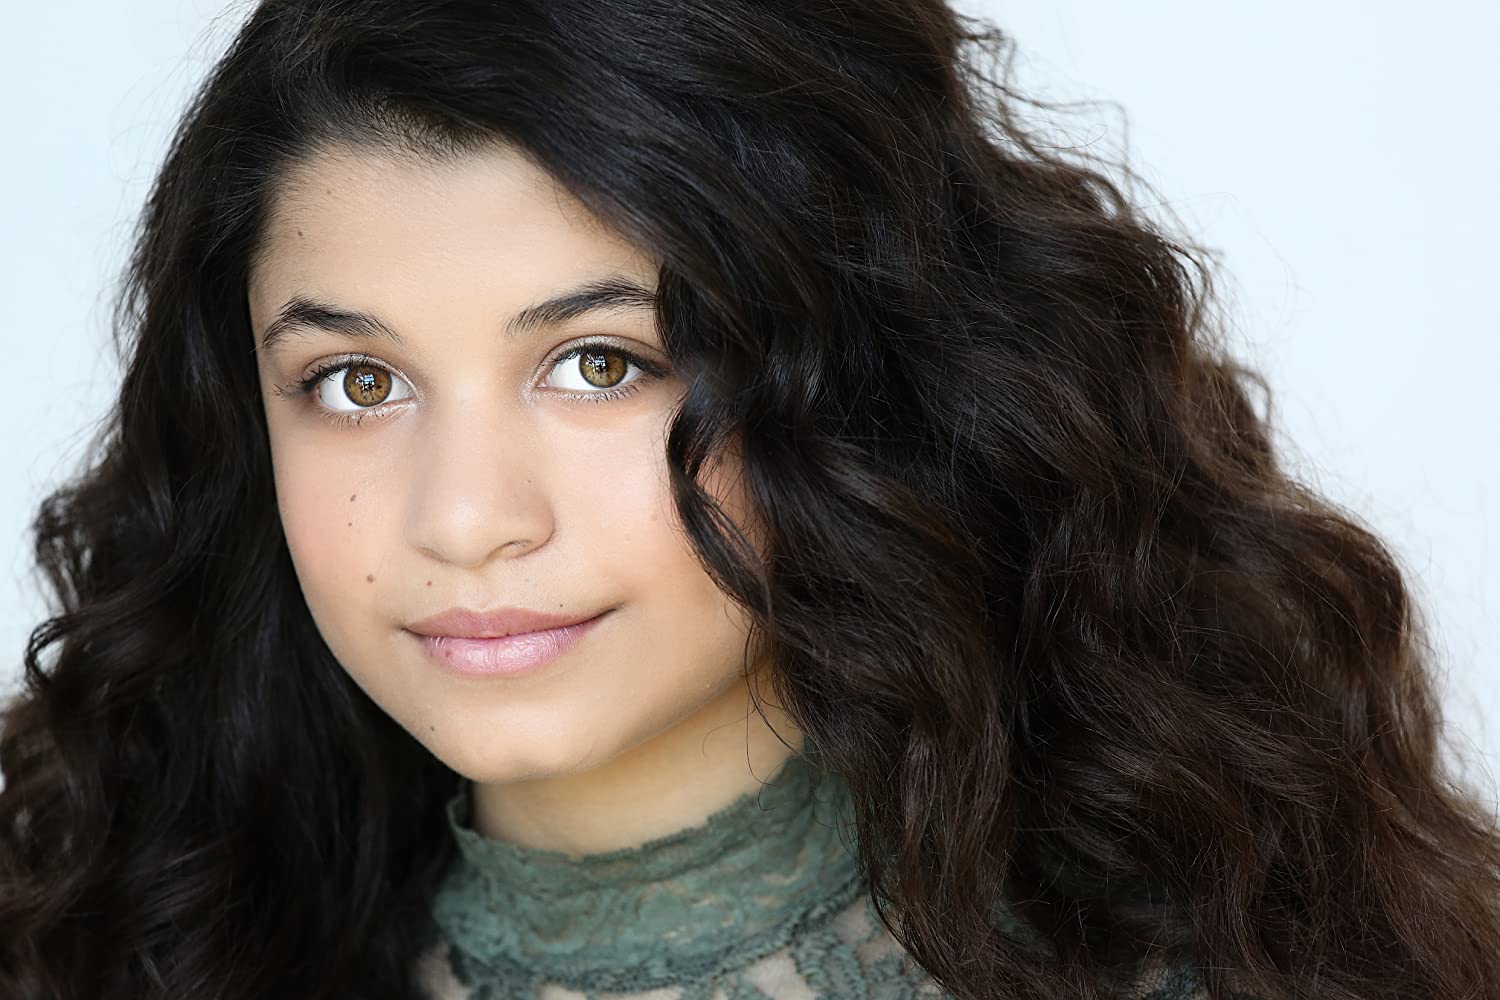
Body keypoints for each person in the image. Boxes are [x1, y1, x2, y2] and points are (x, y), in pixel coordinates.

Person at [3, 1, 1498, 998]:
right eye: (356, 383)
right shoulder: (91, 943)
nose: (463, 519)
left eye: (600, 364)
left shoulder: (1227, 963)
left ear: (856, 376)